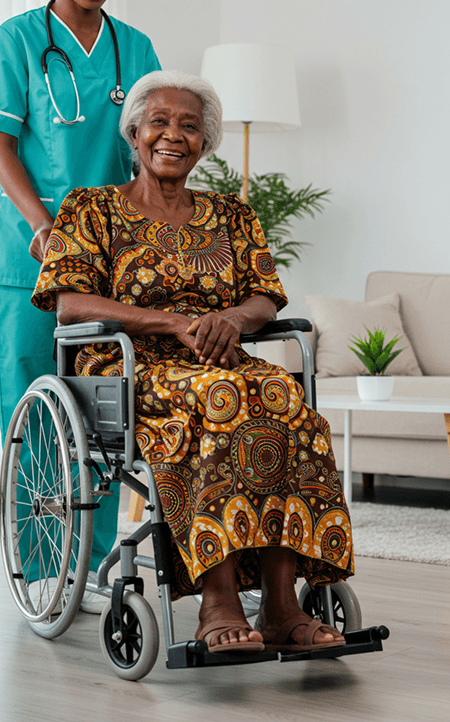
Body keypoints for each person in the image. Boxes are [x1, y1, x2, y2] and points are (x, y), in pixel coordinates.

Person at [31, 70, 354, 653]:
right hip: (128, 365)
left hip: (220, 358)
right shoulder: (92, 209)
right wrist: (176, 323)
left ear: (205, 142)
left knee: (285, 399)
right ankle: (218, 601)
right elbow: (68, 301)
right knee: (220, 401)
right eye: (159, 122)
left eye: (190, 126)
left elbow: (265, 295)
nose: (173, 135)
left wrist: (231, 320)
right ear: (134, 133)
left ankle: (282, 606)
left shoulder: (231, 215)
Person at [0, 0, 161, 599]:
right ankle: (46, 566)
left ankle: (102, 562)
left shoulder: (134, 49)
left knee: (104, 411)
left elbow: (148, 147)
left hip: (105, 264)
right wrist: (43, 225)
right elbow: (1, 145)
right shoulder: (18, 38)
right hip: (27, 259)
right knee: (32, 407)